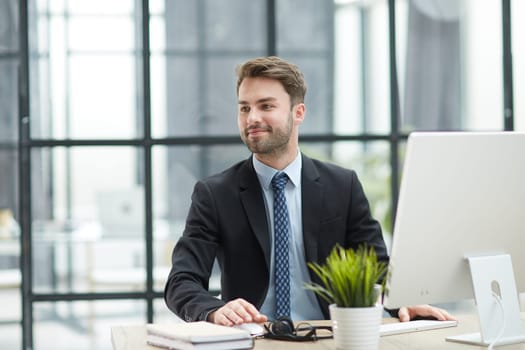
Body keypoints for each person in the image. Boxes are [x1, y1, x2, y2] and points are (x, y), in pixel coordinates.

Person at [164, 56, 455, 326]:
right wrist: (214, 310)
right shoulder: (215, 194)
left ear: (298, 112)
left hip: (330, 335)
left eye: (266, 106)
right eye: (244, 108)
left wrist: (402, 300)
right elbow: (181, 281)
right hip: (253, 339)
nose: (252, 117)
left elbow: (376, 267)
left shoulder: (343, 186)